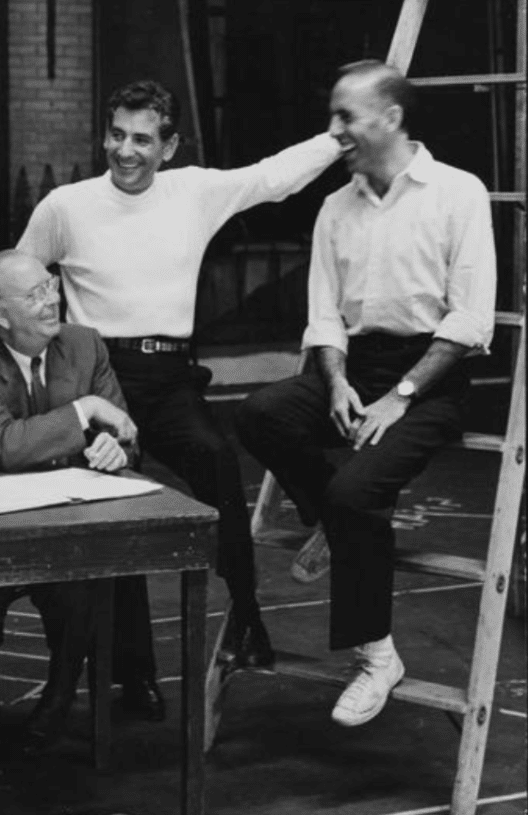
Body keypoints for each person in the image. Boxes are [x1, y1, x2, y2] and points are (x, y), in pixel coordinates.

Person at [17, 78, 341, 682]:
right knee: (108, 506)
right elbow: (17, 286)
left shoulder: (195, 191)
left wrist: (336, 138)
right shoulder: (65, 205)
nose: (126, 150)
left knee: (217, 462)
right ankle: (132, 679)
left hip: (168, 379)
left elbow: (273, 177)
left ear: (169, 147)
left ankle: (247, 616)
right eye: (117, 134)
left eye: (143, 139)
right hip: (95, 379)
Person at [235, 60, 495, 727]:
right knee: (262, 414)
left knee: (357, 493)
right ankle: (332, 517)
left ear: (392, 118)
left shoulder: (457, 193)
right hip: (355, 366)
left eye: (345, 116)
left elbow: (469, 321)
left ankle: (377, 656)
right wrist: (339, 380)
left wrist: (399, 396)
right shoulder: (334, 207)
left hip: (430, 376)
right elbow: (324, 318)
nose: (335, 130)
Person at [0, 249, 138, 756]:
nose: (52, 299)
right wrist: (84, 411)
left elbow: (125, 429)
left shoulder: (84, 345)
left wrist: (115, 448)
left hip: (68, 525)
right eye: (33, 295)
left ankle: (56, 703)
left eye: (50, 285)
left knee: (85, 593)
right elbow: (7, 446)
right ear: (1, 315)